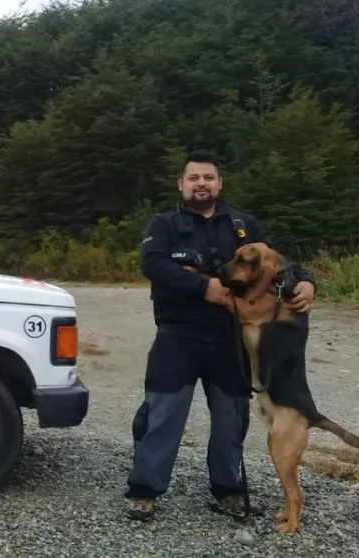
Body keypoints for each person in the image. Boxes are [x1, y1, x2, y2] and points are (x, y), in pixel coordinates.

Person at [124, 149, 317, 521]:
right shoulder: (163, 225)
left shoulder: (244, 225)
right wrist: (204, 287)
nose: (201, 184)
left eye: (208, 177)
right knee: (161, 414)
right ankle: (144, 491)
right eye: (194, 178)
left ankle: (228, 490)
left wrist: (307, 282)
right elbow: (153, 264)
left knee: (231, 418)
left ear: (219, 183)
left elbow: (281, 264)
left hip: (230, 339)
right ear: (181, 184)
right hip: (178, 335)